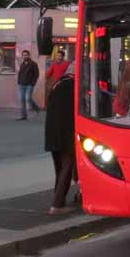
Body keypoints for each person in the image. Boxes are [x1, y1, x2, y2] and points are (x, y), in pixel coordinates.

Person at [45, 74, 76, 215]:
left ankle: (59, 200)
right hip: (67, 135)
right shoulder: (72, 86)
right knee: (67, 168)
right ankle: (57, 205)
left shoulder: (57, 85)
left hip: (52, 135)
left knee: (59, 169)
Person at [17, 50, 40, 120]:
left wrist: (33, 83)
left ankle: (36, 108)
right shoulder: (22, 64)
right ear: (22, 56)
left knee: (28, 98)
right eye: (24, 55)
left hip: (29, 85)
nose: (25, 56)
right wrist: (19, 81)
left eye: (26, 55)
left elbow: (36, 74)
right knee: (22, 99)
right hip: (21, 84)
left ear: (29, 55)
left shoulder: (33, 64)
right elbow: (20, 73)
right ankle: (23, 116)